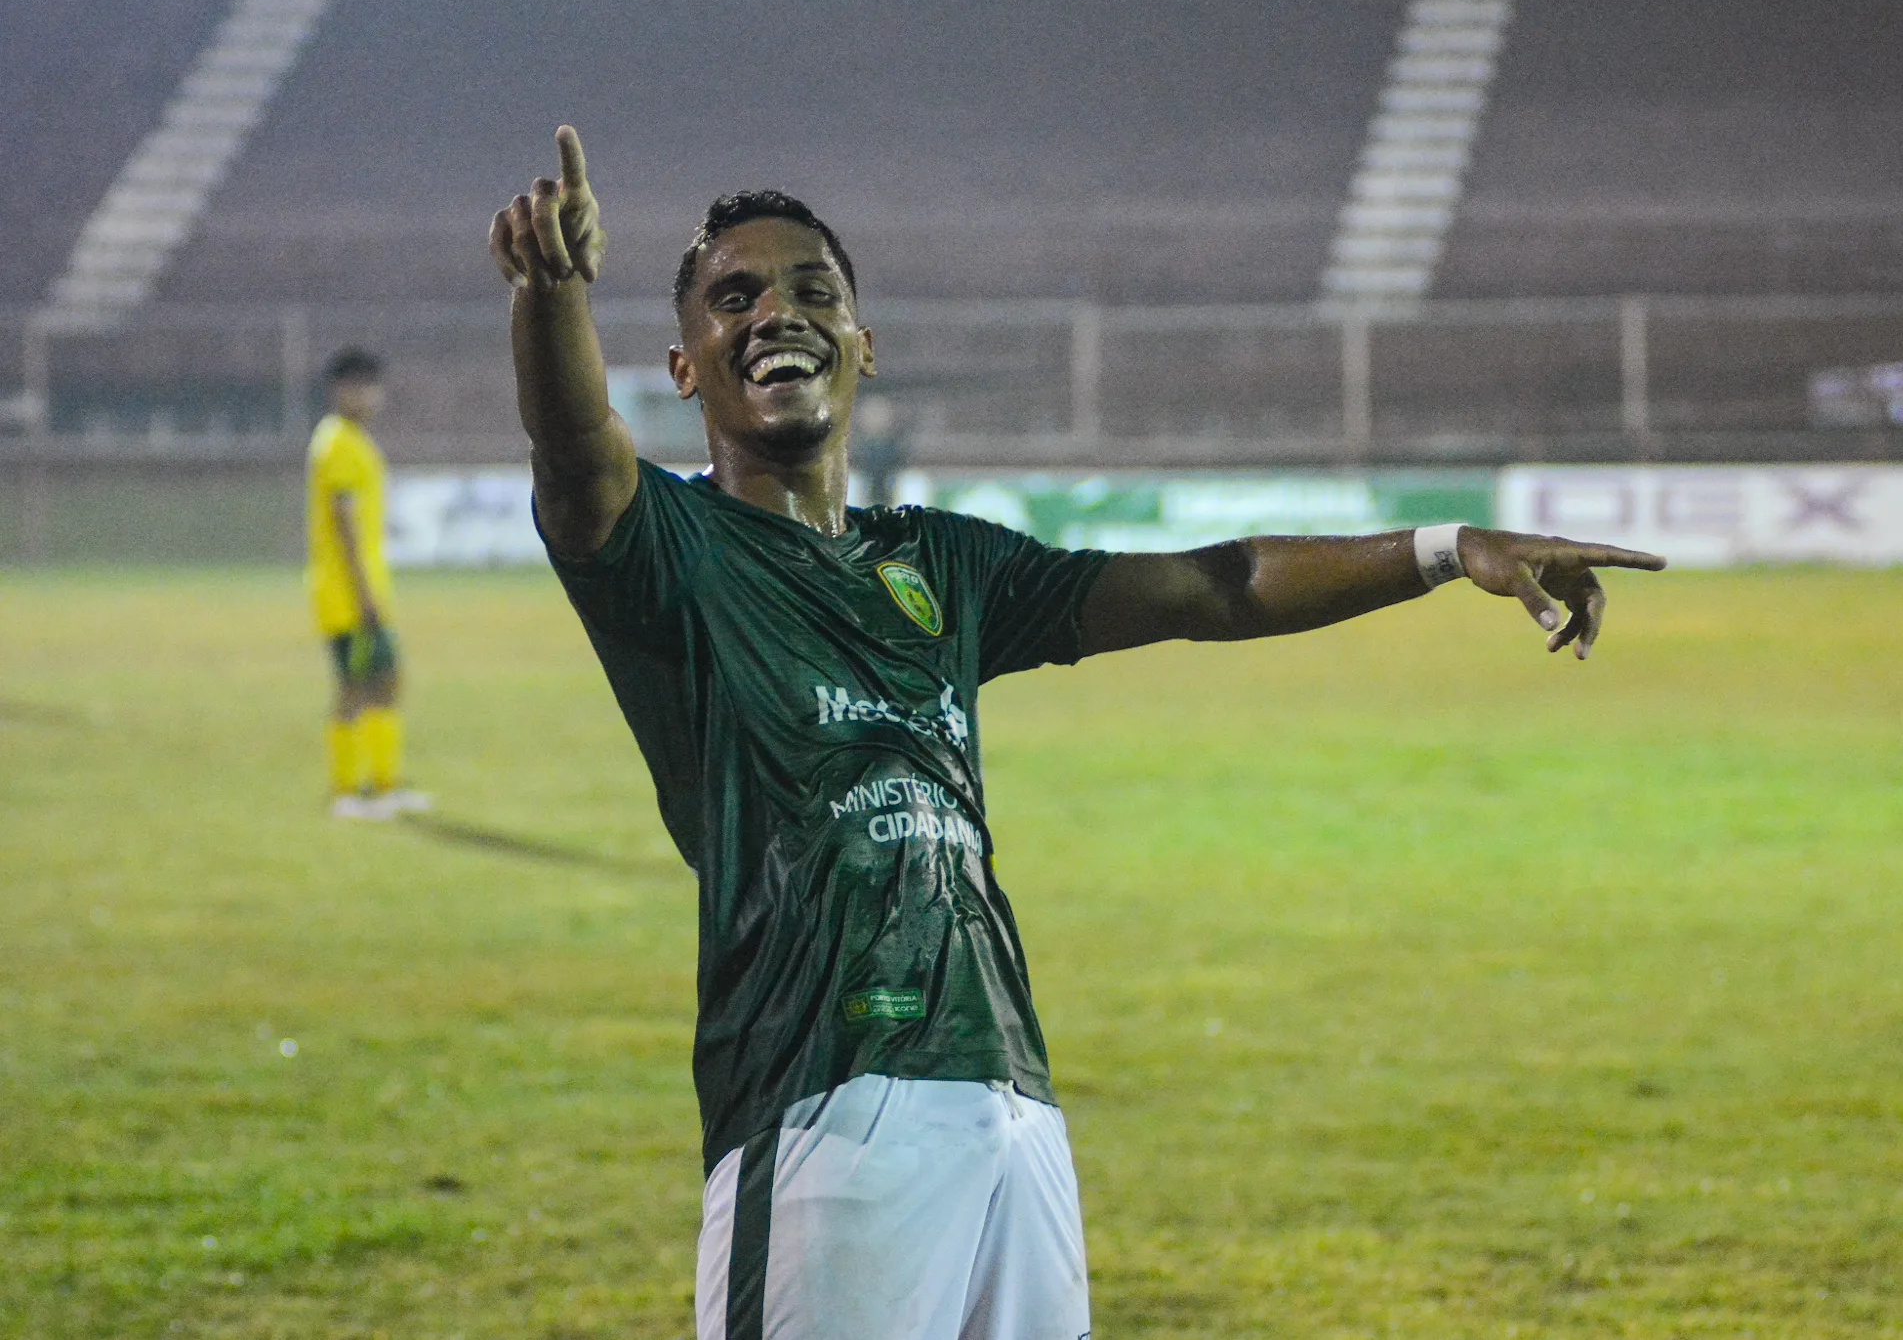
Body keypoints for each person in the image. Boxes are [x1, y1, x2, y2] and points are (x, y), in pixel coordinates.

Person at [489, 127, 1664, 1340]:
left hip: (1011, 1110)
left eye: (811, 290)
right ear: (685, 366)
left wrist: (1440, 549)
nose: (775, 312)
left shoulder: (942, 561)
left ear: (862, 344)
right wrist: (552, 291)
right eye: (733, 298)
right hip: (820, 1111)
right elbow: (577, 455)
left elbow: (1214, 586)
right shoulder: (673, 552)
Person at [304, 348, 429, 820]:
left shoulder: (353, 440)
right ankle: (345, 793)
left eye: (372, 385)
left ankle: (382, 787)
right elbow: (344, 525)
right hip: (346, 593)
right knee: (355, 687)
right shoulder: (336, 443)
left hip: (363, 589)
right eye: (357, 386)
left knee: (385, 681)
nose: (368, 395)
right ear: (338, 390)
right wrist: (364, 597)